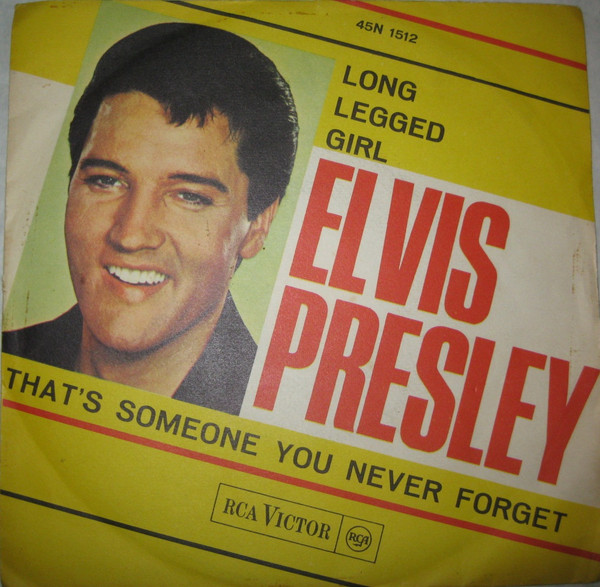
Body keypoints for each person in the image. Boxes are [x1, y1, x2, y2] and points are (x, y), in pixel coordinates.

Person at [2, 23, 299, 415]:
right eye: (106, 181)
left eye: (189, 196)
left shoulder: (278, 413)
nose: (130, 235)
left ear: (257, 225)